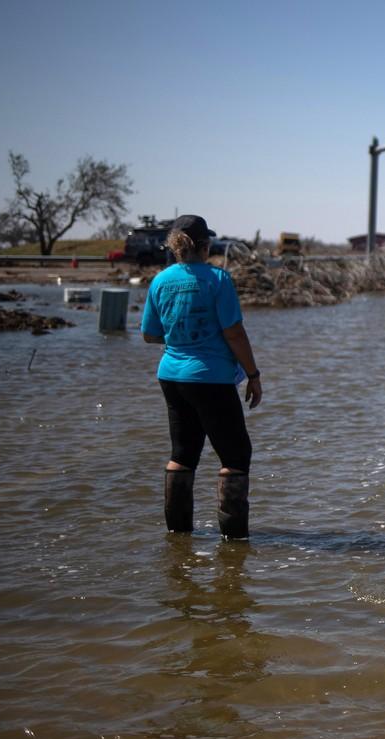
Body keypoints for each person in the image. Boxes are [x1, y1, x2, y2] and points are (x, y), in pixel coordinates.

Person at [141, 214, 262, 539]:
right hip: (211, 379)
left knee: (183, 453)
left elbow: (150, 334)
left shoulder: (160, 281)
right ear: (205, 245)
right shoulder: (217, 280)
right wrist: (253, 374)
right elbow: (234, 333)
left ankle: (178, 538)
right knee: (236, 456)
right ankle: (234, 542)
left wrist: (181, 336)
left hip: (171, 376)